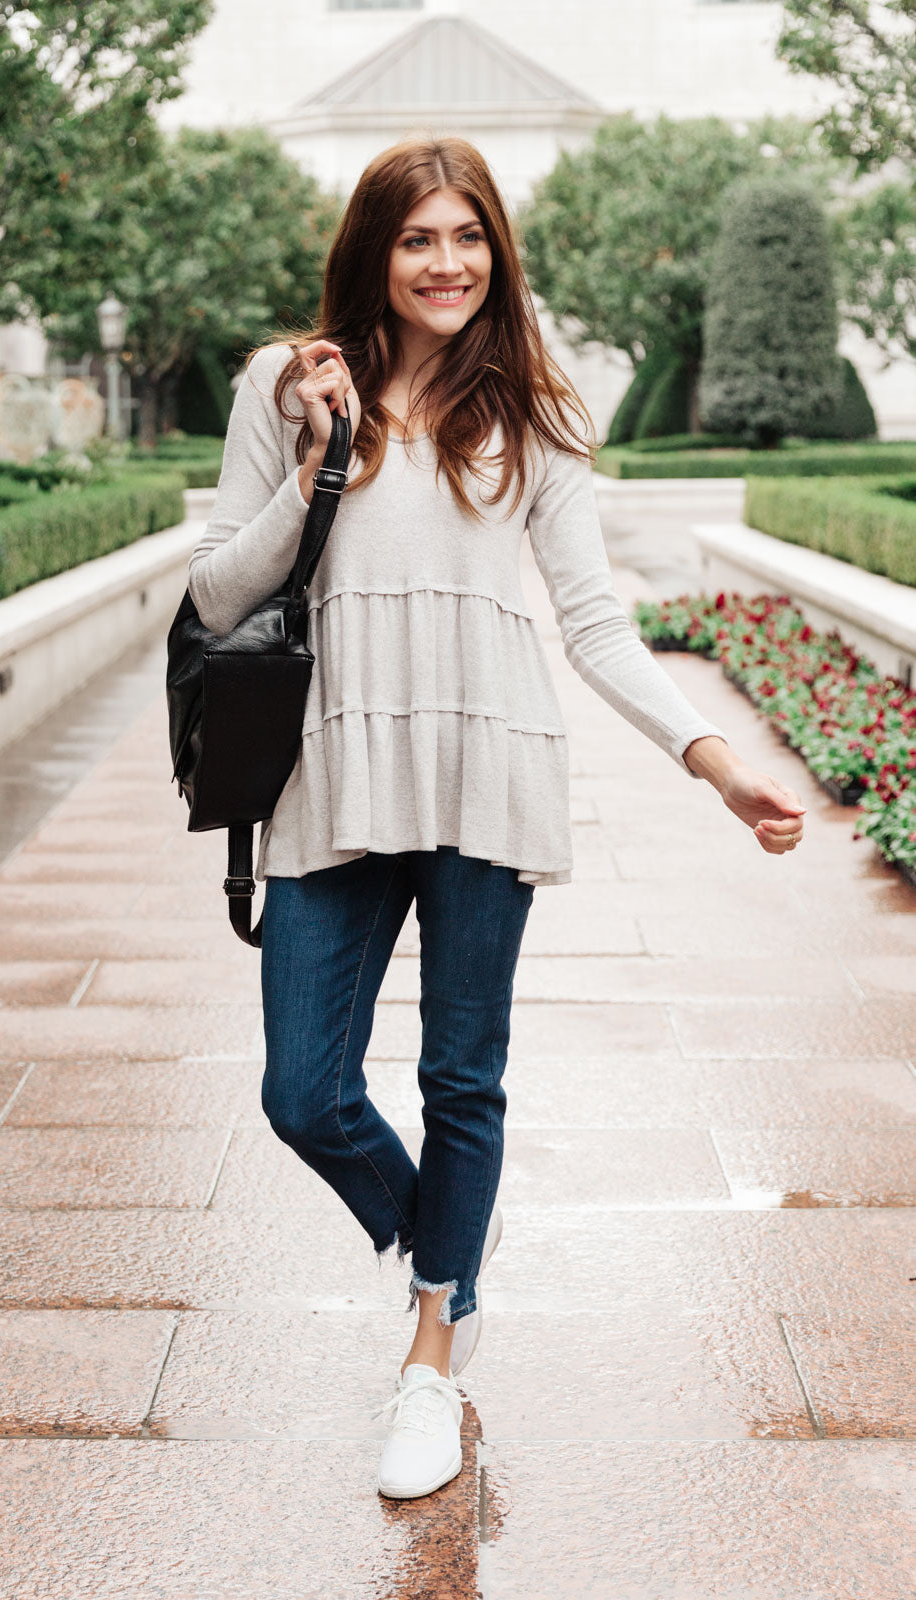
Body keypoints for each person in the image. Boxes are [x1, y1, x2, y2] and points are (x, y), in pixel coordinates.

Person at [187, 136, 806, 1502]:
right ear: (376, 251)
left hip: (488, 767)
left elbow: (590, 620)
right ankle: (446, 1249)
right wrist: (320, 456)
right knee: (305, 1092)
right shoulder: (286, 386)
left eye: (468, 237)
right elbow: (219, 598)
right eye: (419, 239)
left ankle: (429, 1361)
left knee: (462, 1083)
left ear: (496, 253)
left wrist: (714, 757)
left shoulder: (532, 405)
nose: (446, 263)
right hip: (330, 772)